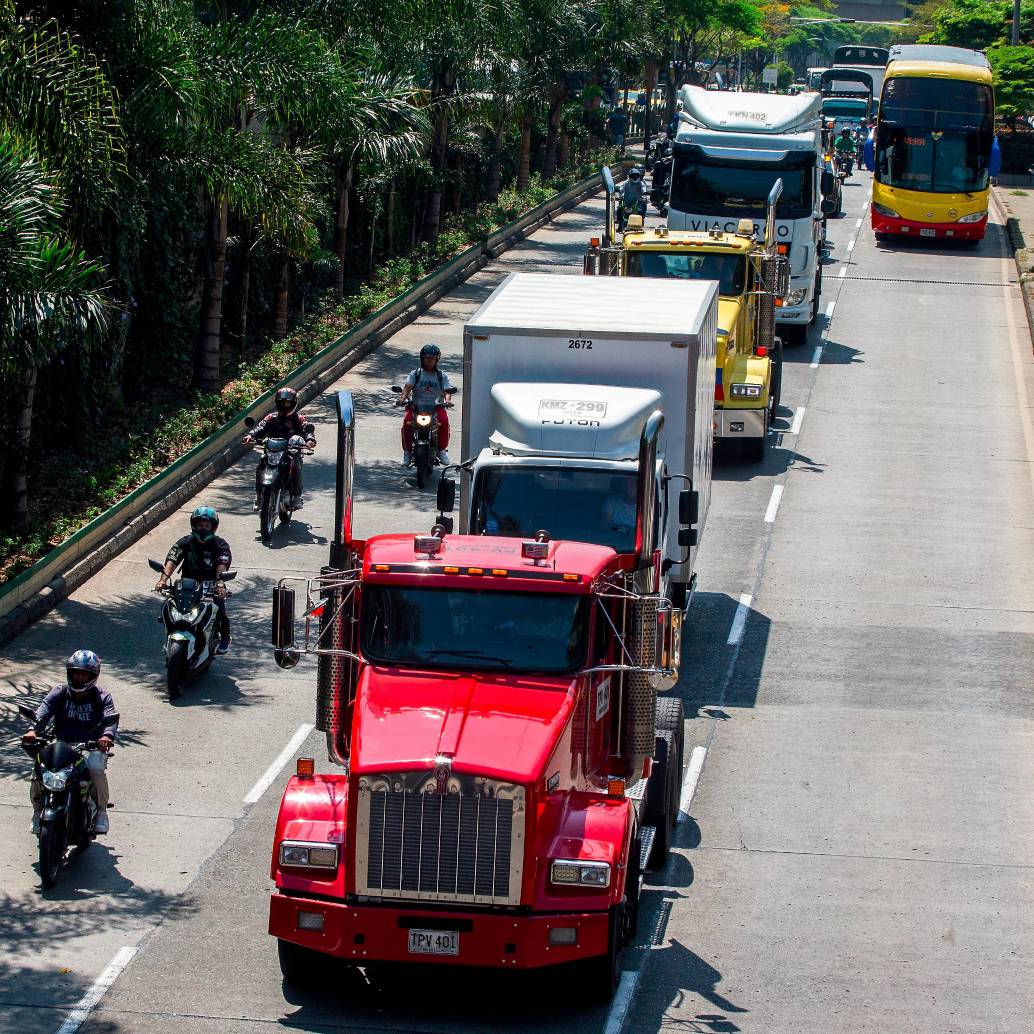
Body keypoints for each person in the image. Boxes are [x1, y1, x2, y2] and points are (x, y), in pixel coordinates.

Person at [22, 650, 118, 835]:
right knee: (38, 770)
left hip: (90, 746)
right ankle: (37, 811)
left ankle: (101, 812)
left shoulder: (102, 696)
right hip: (61, 744)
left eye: (84, 673)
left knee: (96, 767)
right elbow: (43, 712)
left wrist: (106, 737)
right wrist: (32, 730)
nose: (79, 676)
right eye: (75, 672)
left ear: (93, 675)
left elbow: (110, 718)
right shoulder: (59, 692)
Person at [154, 506, 233, 655]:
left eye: (207, 526)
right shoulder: (185, 541)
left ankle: (225, 638)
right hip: (187, 586)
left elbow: (222, 564)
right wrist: (162, 580)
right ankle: (168, 638)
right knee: (168, 609)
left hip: (211, 586)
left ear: (213, 527)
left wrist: (220, 584)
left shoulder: (220, 545)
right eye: (200, 525)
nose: (203, 529)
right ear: (194, 525)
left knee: (220, 611)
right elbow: (172, 559)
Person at [243, 387, 316, 509]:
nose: (285, 405)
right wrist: (250, 435)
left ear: (293, 403)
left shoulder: (299, 418)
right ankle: (259, 496)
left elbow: (306, 430)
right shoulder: (271, 417)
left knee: (295, 464)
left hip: (291, 451)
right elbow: (261, 427)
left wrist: (310, 440)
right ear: (277, 403)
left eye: (287, 402)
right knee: (261, 462)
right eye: (282, 402)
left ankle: (297, 496)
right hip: (273, 450)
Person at [399, 343, 454, 466]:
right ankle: (407, 452)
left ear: (436, 359)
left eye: (432, 358)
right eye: (427, 357)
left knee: (444, 421)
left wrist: (447, 401)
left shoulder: (441, 375)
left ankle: (442, 450)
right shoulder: (415, 374)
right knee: (406, 421)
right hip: (416, 406)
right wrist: (402, 399)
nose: (429, 360)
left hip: (435, 407)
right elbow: (407, 388)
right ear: (422, 358)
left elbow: (447, 391)